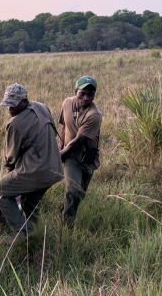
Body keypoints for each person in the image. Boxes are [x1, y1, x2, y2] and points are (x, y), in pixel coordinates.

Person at [0, 83, 64, 239]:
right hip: (54, 169)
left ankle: (25, 233)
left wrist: (8, 178)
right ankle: (36, 236)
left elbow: (11, 160)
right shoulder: (42, 107)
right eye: (7, 105)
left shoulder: (15, 124)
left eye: (13, 105)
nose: (9, 109)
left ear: (24, 101)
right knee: (30, 203)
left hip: (36, 171)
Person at [59, 76, 102, 228]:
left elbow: (78, 142)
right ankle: (66, 227)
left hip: (86, 158)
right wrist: (60, 148)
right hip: (71, 157)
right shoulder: (67, 103)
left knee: (79, 195)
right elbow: (65, 127)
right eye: (82, 93)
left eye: (91, 94)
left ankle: (63, 209)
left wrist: (58, 156)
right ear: (75, 91)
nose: (86, 98)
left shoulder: (94, 115)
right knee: (74, 190)